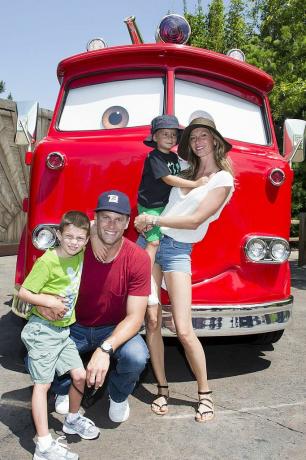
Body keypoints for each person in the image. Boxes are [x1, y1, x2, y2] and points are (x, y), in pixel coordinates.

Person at [134, 115, 234, 423]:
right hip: (149, 242)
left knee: (183, 327)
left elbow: (194, 220)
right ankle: (162, 388)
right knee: (151, 319)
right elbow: (154, 195)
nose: (198, 141)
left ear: (215, 140)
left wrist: (155, 220)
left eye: (203, 135)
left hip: (177, 251)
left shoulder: (223, 180)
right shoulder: (183, 169)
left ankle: (204, 394)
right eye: (193, 137)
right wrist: (143, 219)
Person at [38, 190, 151, 424]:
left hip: (112, 327)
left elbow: (136, 316)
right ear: (95, 219)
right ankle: (62, 388)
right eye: (105, 217)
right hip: (73, 324)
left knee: (137, 355)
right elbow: (47, 272)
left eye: (118, 219)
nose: (111, 224)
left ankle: (118, 396)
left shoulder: (138, 258)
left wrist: (105, 349)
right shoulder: (77, 245)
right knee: (43, 337)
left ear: (128, 222)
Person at [19, 211, 99, 460]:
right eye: (69, 237)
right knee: (42, 386)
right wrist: (48, 302)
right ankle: (43, 446)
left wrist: (93, 224)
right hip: (42, 330)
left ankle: (72, 419)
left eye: (79, 238)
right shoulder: (48, 261)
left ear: (86, 241)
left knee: (80, 376)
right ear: (58, 235)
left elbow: (95, 228)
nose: (74, 242)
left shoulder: (80, 254)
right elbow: (24, 292)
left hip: (63, 332)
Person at [137, 115, 207, 302]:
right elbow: (168, 179)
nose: (170, 138)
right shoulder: (154, 157)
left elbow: (184, 170)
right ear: (154, 137)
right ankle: (142, 278)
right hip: (150, 207)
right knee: (153, 242)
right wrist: (196, 184)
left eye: (174, 135)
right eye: (165, 134)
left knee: (159, 238)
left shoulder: (174, 157)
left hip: (165, 207)